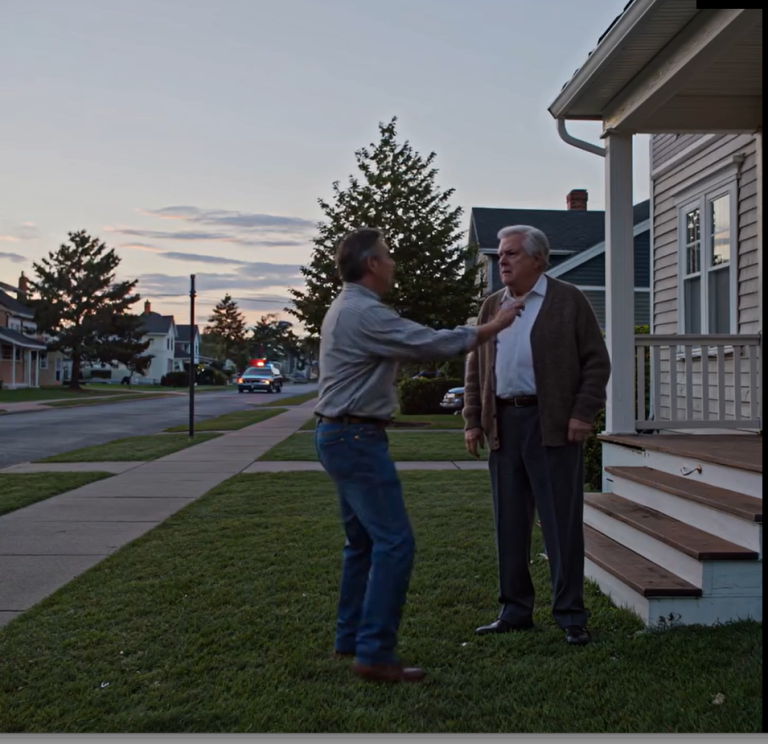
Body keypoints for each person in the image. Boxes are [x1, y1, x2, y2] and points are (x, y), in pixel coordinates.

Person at [315, 227, 523, 683]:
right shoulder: (362, 312)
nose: (392, 263)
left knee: (363, 543)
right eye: (388, 255)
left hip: (340, 435)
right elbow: (428, 342)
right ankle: (373, 653)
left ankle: (350, 639)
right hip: (354, 438)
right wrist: (495, 325)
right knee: (394, 543)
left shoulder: (347, 306)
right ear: (371, 264)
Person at [463, 225, 610, 646]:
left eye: (511, 254)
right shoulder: (492, 304)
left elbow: (596, 363)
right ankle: (514, 611)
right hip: (503, 427)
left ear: (538, 260)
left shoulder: (568, 301)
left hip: (553, 425)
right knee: (509, 522)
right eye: (500, 255)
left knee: (561, 523)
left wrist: (583, 414)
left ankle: (570, 615)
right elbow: (476, 367)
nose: (502, 261)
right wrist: (473, 419)